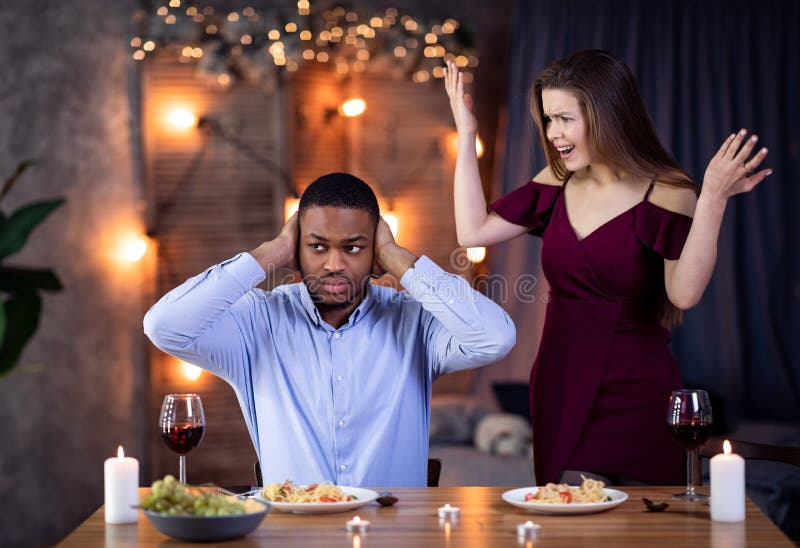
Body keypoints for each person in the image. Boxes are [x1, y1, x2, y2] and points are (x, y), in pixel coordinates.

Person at [444, 50, 771, 485]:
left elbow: (684, 295)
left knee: (640, 525)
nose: (554, 133)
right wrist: (467, 135)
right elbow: (472, 230)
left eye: (565, 118)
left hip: (638, 391)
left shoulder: (667, 191)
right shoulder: (557, 181)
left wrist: (712, 199)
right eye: (548, 119)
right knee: (567, 515)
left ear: (607, 115)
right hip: (559, 384)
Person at [144, 172, 515, 487]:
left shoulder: (414, 321)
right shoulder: (256, 322)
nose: (334, 264)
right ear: (296, 249)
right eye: (317, 246)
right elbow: (164, 326)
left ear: (375, 254)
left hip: (394, 537)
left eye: (353, 248)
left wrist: (400, 260)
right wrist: (269, 254)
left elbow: (495, 337)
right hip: (292, 540)